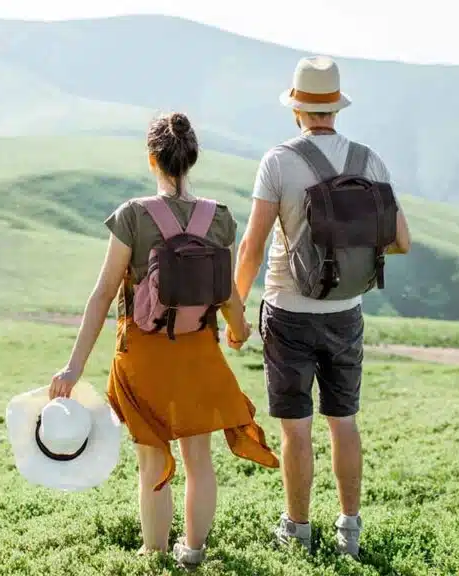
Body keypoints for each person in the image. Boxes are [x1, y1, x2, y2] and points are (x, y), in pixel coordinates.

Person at [49, 112, 280, 568]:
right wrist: (237, 332)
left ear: (152, 158)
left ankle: (153, 555)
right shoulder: (219, 219)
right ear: (192, 158)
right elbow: (229, 297)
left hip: (143, 357)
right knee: (199, 461)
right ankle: (192, 552)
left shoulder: (133, 217)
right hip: (198, 354)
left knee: (152, 464)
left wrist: (73, 368)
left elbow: (102, 295)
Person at [232, 55, 411, 559]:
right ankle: (349, 529)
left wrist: (236, 310)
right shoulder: (368, 160)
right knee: (344, 420)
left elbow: (253, 245)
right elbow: (400, 241)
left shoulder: (279, 161)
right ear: (336, 107)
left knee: (296, 427)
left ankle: (297, 530)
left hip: (288, 311)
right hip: (346, 312)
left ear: (296, 108)